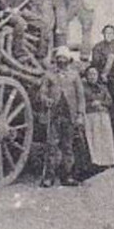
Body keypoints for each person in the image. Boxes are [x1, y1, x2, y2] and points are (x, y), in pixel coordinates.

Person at [37, 46, 87, 187]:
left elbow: (80, 96)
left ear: (69, 60)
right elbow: (42, 92)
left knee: (68, 147)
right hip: (54, 115)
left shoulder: (74, 75)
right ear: (56, 60)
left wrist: (80, 114)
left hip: (69, 116)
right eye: (59, 58)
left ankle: (68, 176)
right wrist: (45, 99)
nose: (61, 60)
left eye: (64, 58)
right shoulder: (49, 75)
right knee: (51, 146)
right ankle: (49, 177)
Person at [81, 64, 114, 170]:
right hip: (91, 116)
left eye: (94, 74)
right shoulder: (83, 88)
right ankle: (96, 163)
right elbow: (81, 102)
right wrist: (90, 104)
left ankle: (107, 162)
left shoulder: (103, 88)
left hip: (103, 115)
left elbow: (109, 101)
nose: (92, 76)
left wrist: (101, 102)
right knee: (93, 139)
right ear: (86, 76)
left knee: (105, 139)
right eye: (90, 74)